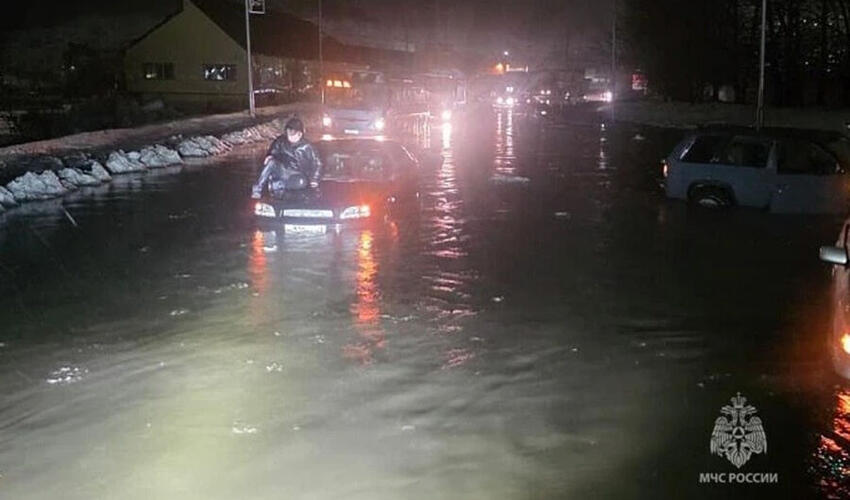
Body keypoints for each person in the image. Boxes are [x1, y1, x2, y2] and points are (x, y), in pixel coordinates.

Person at [251, 117, 321, 199]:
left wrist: (314, 178)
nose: (291, 137)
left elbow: (317, 163)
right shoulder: (281, 141)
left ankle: (279, 184)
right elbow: (273, 151)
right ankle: (257, 190)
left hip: (297, 174)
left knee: (301, 182)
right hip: (283, 169)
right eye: (289, 133)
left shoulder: (307, 146)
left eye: (293, 134)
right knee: (271, 162)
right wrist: (270, 156)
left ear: (300, 134)